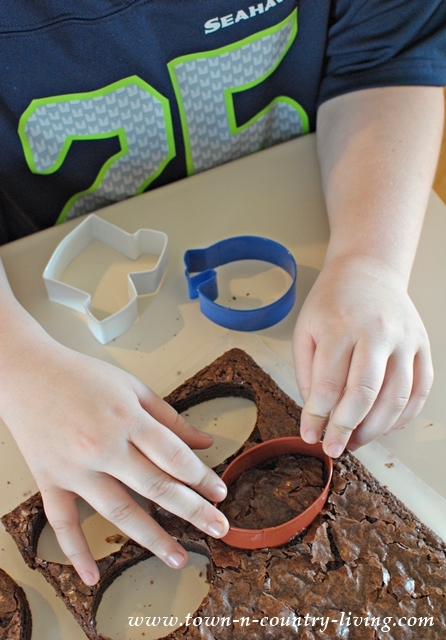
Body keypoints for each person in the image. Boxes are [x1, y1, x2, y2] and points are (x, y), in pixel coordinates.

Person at [0, 1, 445, 587]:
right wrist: (18, 366)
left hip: (324, 186)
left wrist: (372, 262)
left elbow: (386, 56)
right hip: (39, 298)